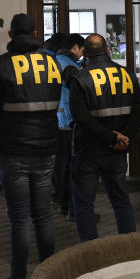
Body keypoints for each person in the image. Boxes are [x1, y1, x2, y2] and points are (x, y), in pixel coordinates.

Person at [0, 13, 63, 279]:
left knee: (19, 219)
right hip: (46, 148)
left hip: (13, 149)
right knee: (43, 214)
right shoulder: (52, 62)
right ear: (36, 33)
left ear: (11, 36)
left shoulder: (3, 65)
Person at [68, 34, 140, 241]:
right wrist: (124, 137)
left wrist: (111, 138)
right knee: (121, 200)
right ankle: (128, 251)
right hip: (117, 152)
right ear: (108, 51)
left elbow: (81, 118)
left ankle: (91, 256)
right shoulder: (127, 74)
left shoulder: (80, 78)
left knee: (84, 205)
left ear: (84, 53)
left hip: (88, 151)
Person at [53, 33, 85, 218]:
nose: (82, 54)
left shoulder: (54, 61)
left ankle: (63, 204)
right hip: (70, 120)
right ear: (74, 47)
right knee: (73, 166)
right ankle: (72, 208)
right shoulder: (70, 65)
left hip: (58, 118)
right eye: (81, 50)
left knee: (63, 165)